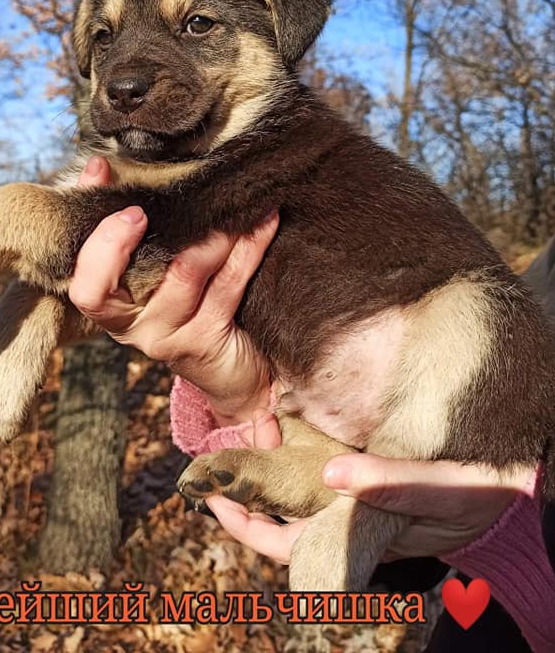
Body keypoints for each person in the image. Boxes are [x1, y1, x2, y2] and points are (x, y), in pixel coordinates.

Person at [69, 156, 555, 652]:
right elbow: (409, 567)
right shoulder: (544, 277)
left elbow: (492, 448)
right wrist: (242, 396)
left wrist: (504, 534)